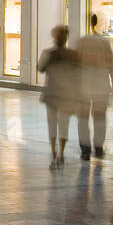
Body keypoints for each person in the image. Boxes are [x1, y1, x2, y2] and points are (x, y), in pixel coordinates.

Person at [77, 13, 113, 160]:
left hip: (84, 85)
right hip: (101, 85)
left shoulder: (82, 42)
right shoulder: (104, 42)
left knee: (83, 117)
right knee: (100, 118)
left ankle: (85, 148)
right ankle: (99, 146)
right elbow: (111, 66)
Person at [37, 25, 81, 169]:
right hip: (67, 95)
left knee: (52, 124)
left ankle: (54, 152)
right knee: (64, 124)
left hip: (52, 94)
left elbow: (40, 68)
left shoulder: (48, 54)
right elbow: (78, 74)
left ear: (54, 38)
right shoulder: (73, 55)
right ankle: (61, 152)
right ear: (66, 38)